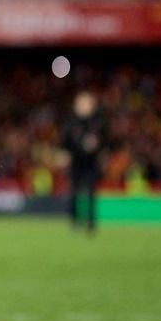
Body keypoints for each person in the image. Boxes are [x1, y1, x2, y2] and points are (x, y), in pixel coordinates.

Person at [63, 90, 104, 231]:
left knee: (91, 192)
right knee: (74, 192)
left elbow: (106, 140)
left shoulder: (97, 122)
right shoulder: (71, 122)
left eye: (87, 103)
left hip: (91, 163)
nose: (84, 106)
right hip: (76, 162)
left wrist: (97, 145)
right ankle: (74, 221)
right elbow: (64, 141)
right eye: (82, 102)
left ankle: (91, 223)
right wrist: (67, 153)